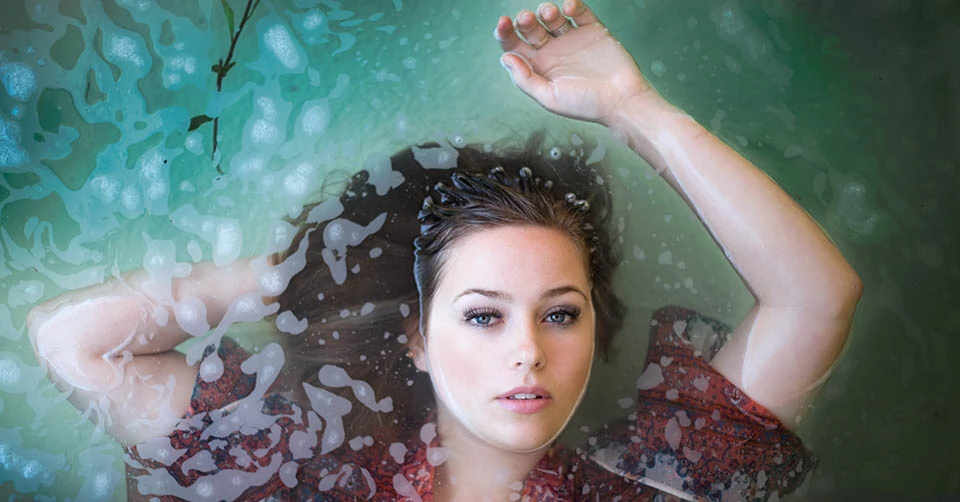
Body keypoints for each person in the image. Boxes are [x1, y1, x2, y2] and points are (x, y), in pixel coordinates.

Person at [26, 0, 863, 500]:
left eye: (559, 314)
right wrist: (313, 271)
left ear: (594, 331)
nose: (529, 353)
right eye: (482, 316)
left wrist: (637, 110)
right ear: (418, 337)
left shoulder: (645, 487)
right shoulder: (301, 464)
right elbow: (74, 343)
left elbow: (816, 297)